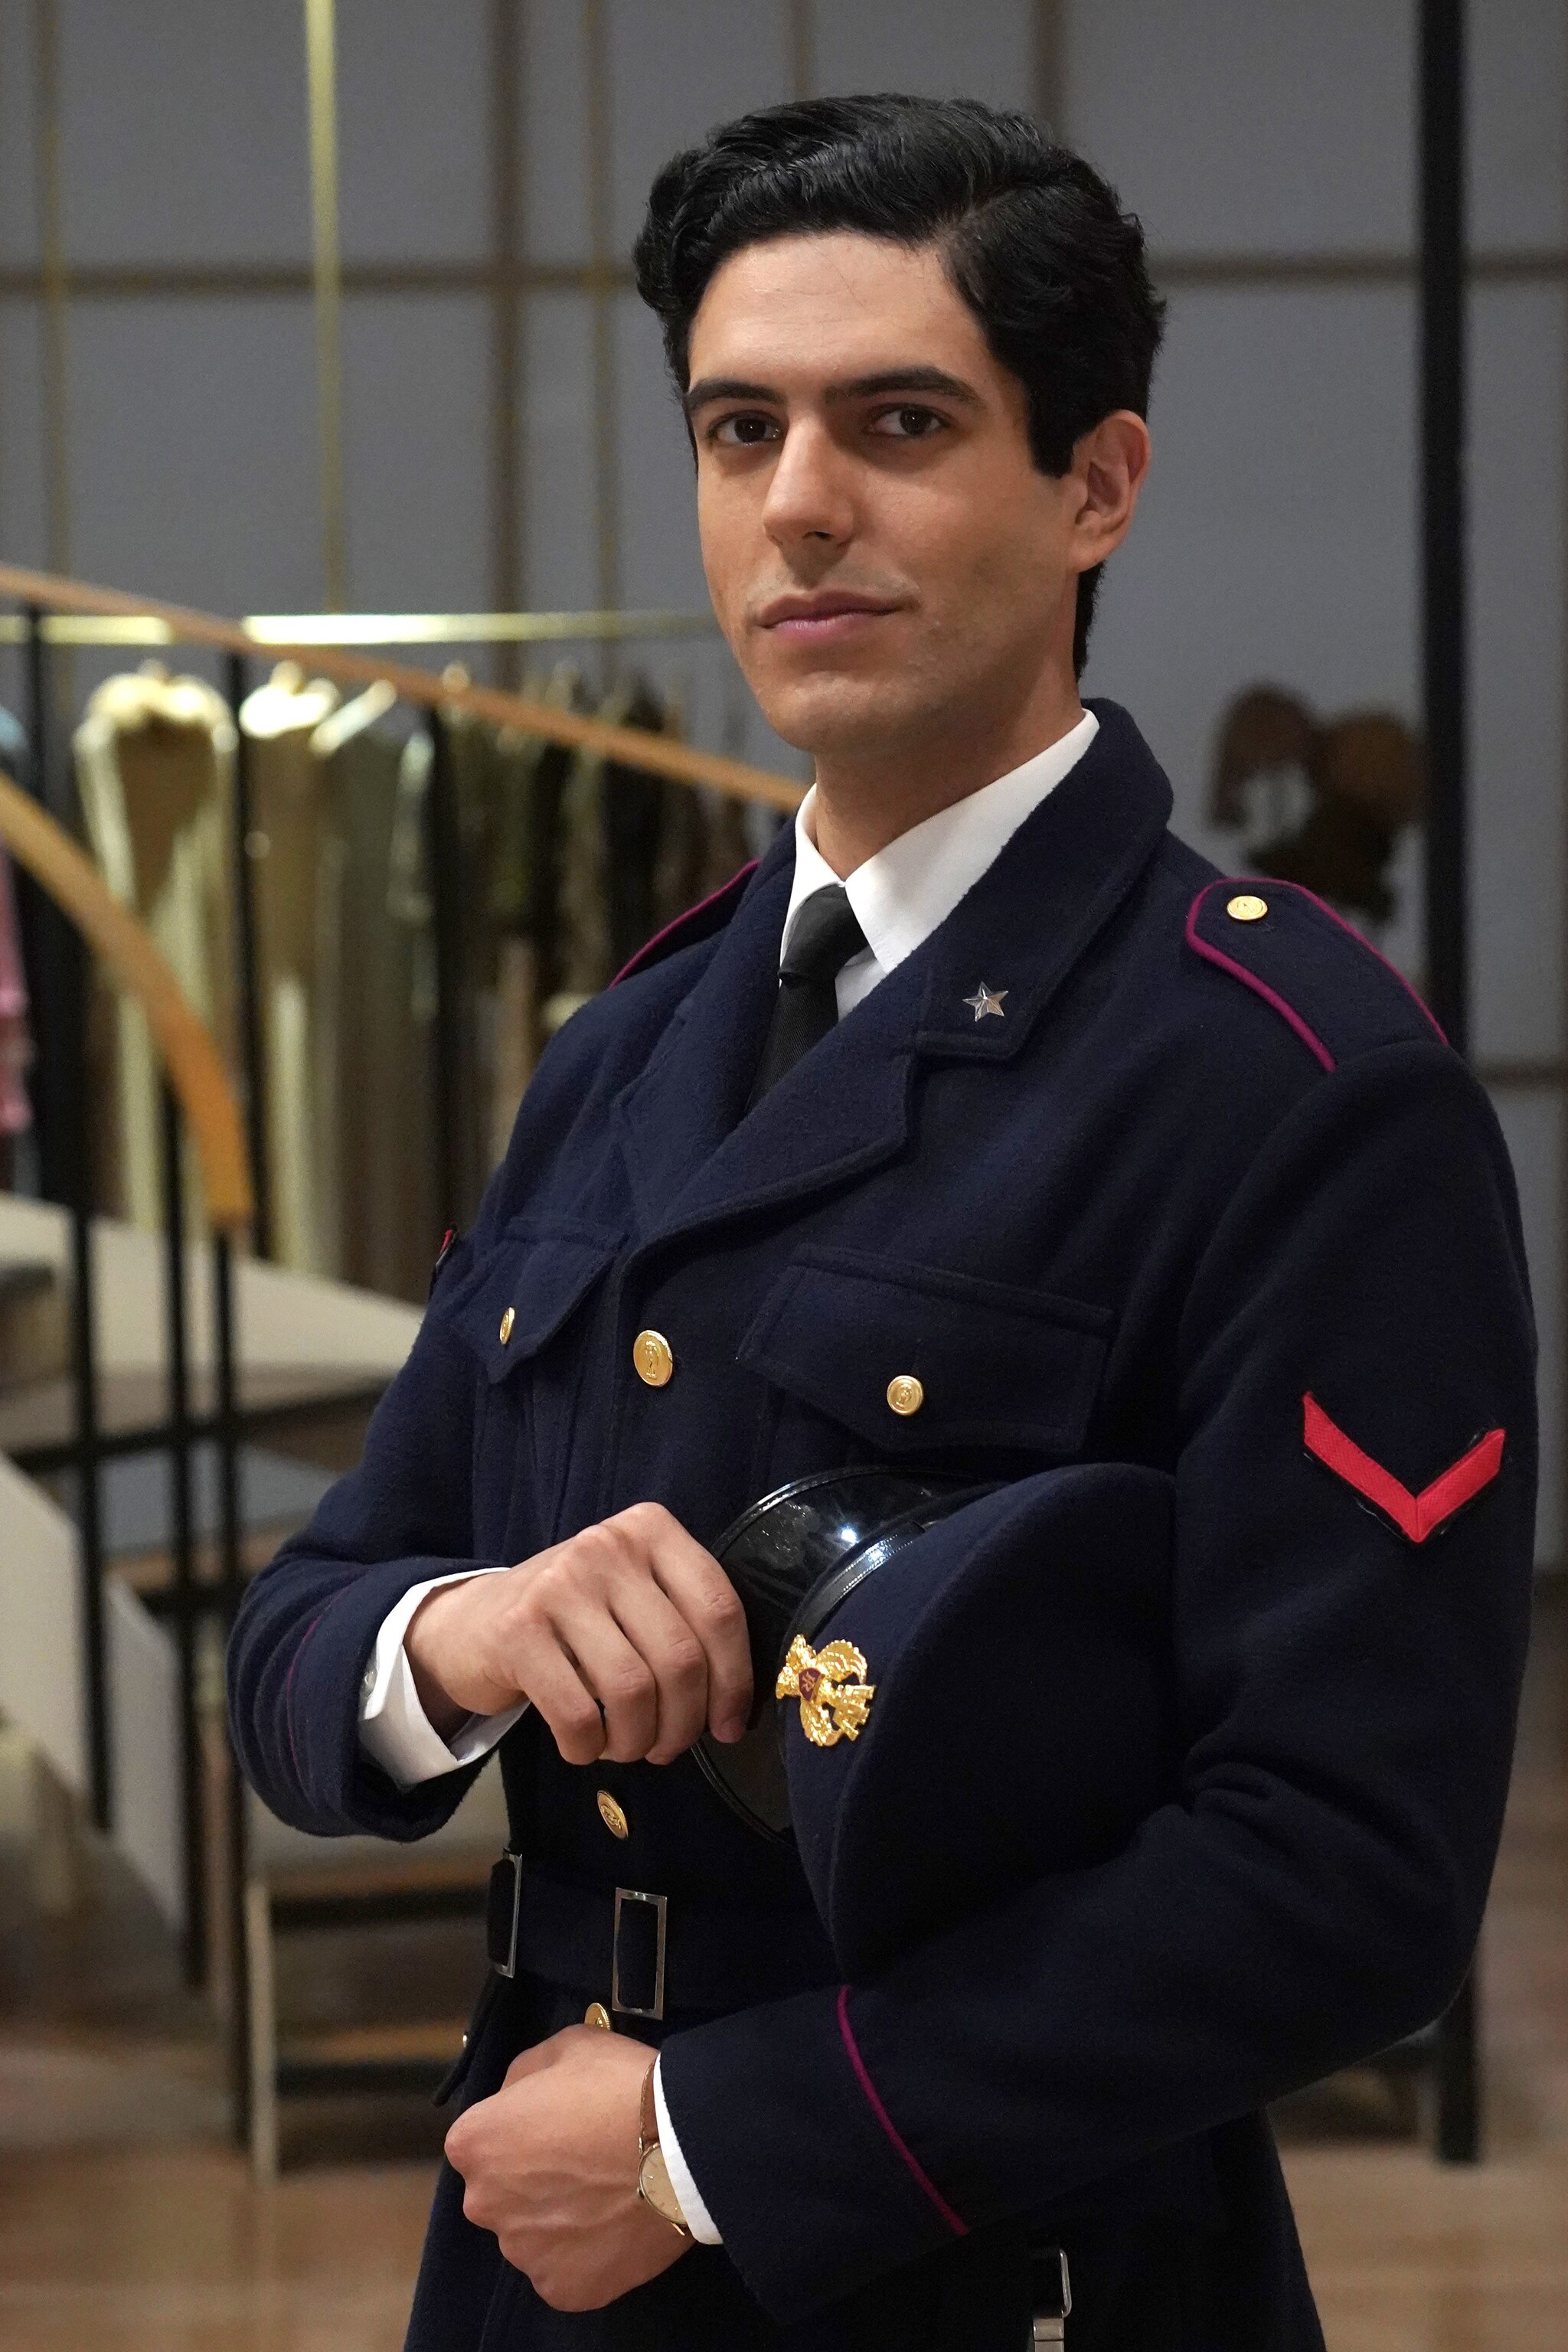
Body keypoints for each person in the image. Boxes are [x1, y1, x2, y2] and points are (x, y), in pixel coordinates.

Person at [227, 94, 1536, 2351]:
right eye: (739, 429)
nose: (799, 504)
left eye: (898, 423)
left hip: (993, 2271)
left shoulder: (1289, 1085)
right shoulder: (623, 1050)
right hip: (532, 2251)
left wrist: (701, 2145)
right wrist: (468, 1634)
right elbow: (300, 1635)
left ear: (1096, 482)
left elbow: (1347, 1874)